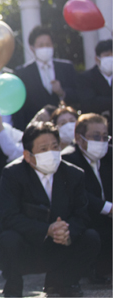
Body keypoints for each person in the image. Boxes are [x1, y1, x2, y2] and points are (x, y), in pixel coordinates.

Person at [0, 121, 100, 297]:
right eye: (43, 149)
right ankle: (14, 286)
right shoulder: (12, 174)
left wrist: (66, 231)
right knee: (8, 239)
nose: (51, 153)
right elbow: (8, 217)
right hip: (28, 244)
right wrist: (46, 230)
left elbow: (82, 215)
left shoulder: (74, 174)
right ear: (27, 155)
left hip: (60, 244)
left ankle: (62, 283)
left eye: (55, 147)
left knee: (90, 237)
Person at [62, 113, 112, 282]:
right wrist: (108, 208)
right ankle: (90, 270)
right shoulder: (68, 159)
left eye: (105, 136)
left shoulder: (109, 156)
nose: (102, 141)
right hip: (84, 220)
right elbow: (80, 194)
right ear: (79, 138)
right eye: (96, 136)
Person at [12, 26, 78, 131]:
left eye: (48, 45)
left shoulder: (66, 67)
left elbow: (79, 95)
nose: (45, 48)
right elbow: (19, 108)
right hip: (37, 130)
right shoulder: (22, 73)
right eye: (41, 45)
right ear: (32, 47)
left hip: (66, 128)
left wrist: (62, 92)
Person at [78, 39, 112, 135]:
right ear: (97, 59)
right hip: (97, 132)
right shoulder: (86, 78)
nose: (111, 58)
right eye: (107, 55)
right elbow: (90, 103)